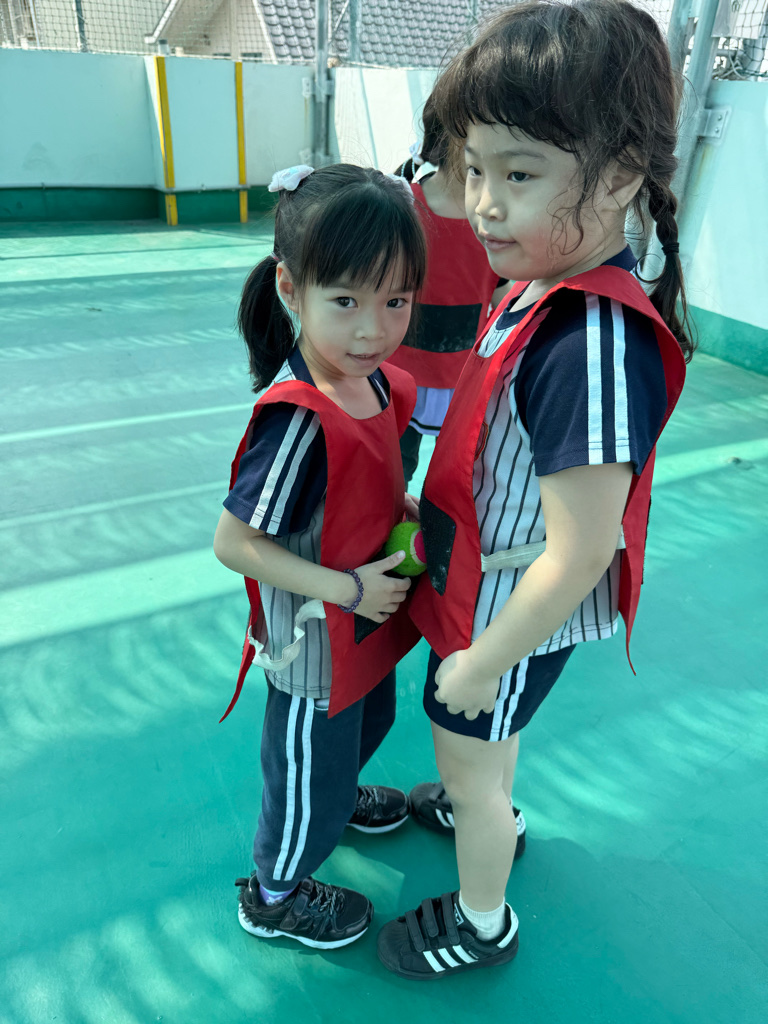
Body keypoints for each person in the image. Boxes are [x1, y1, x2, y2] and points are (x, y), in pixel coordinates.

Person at [377, 0, 691, 979]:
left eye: (519, 175)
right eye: (475, 169)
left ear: (621, 177)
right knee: (484, 750)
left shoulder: (588, 345)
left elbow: (584, 548)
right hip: (482, 589)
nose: (483, 203)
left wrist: (482, 663)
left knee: (468, 756)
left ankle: (480, 920)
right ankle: (488, 804)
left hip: (505, 615)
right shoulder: (534, 286)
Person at [213, 163, 427, 950]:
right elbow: (235, 543)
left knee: (372, 721)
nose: (373, 330)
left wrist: (399, 509)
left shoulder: (381, 385)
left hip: (363, 623)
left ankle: (336, 794)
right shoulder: (298, 421)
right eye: (346, 302)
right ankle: (274, 894)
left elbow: (365, 479)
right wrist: (345, 588)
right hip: (316, 643)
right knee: (306, 768)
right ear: (290, 289)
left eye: (395, 301)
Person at [387, 96, 508, 487]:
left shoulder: (496, 222)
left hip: (464, 377)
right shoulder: (403, 209)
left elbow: (500, 294)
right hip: (397, 374)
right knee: (393, 472)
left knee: (458, 476)